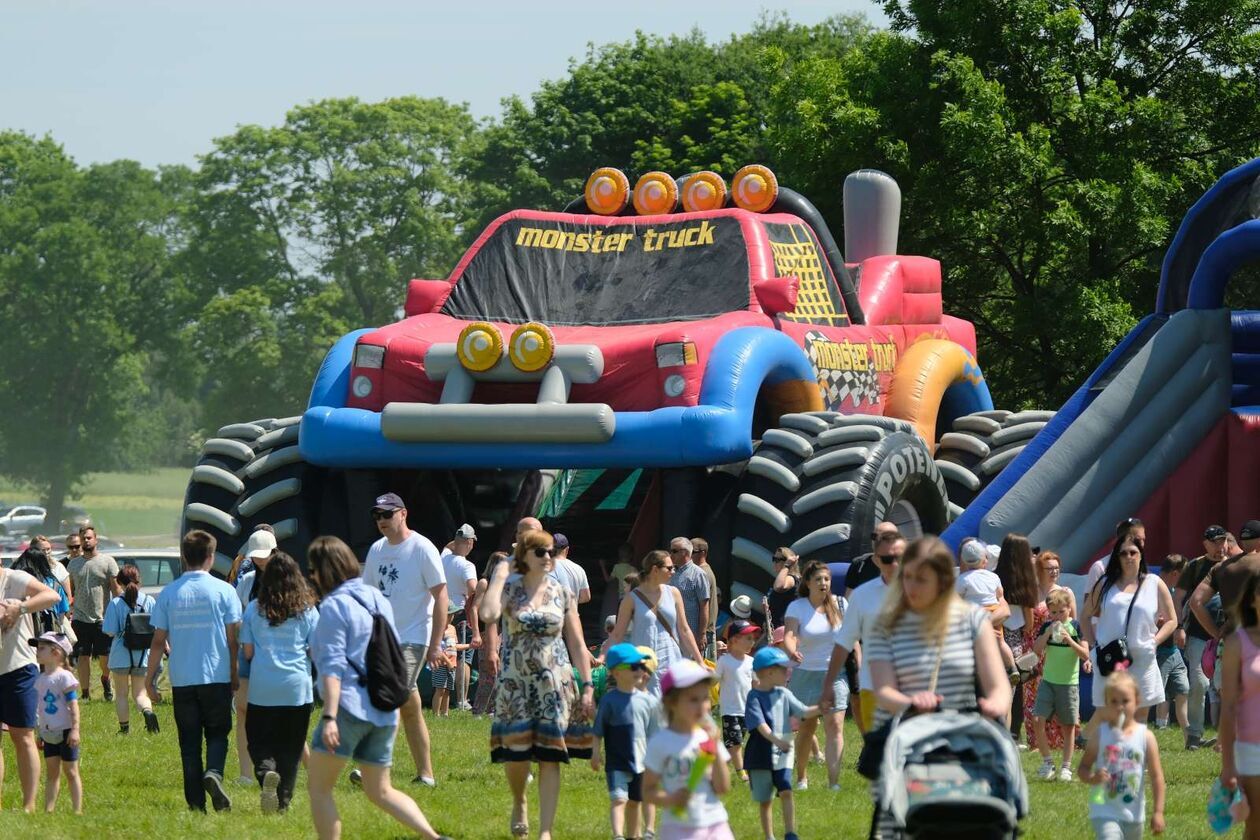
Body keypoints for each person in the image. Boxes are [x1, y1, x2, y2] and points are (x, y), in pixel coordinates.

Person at [305, 536, 450, 840]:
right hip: (384, 710)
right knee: (380, 790)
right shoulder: (376, 599)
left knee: (319, 789)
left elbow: (332, 668)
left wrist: (329, 717)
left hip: (348, 709)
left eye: (314, 570)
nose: (312, 577)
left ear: (325, 570)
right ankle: (433, 837)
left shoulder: (334, 606)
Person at [866, 536, 1012, 832]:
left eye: (921, 579)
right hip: (906, 742)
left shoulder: (973, 620)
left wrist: (995, 704)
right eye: (907, 577)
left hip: (961, 740)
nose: (911, 587)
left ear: (943, 581)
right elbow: (884, 689)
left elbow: (998, 683)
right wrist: (911, 702)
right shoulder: (886, 624)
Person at [481, 528, 595, 840]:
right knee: (516, 755)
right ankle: (520, 801)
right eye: (541, 551)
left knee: (550, 755)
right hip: (516, 685)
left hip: (554, 684)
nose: (549, 556)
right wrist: (501, 575)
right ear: (525, 557)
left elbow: (577, 642)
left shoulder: (562, 592)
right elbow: (488, 613)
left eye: (551, 551)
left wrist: (587, 686)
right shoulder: (509, 588)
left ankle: (545, 831)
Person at [146, 529, 242, 812]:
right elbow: (232, 639)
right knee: (217, 733)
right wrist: (235, 674)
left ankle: (196, 805)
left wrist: (150, 680)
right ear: (211, 557)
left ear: (184, 557)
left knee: (188, 744)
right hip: (216, 675)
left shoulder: (169, 592)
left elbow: (157, 641)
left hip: (183, 679)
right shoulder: (225, 591)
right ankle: (214, 772)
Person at [361, 492, 446, 787]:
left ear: (403, 513)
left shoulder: (422, 548)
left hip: (413, 637)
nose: (381, 520)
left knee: (389, 694)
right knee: (409, 706)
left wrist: (436, 643)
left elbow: (441, 595)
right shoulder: (376, 550)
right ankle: (426, 774)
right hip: (383, 638)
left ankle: (371, 764)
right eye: (377, 516)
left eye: (387, 514)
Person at [240, 550, 317, 814]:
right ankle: (282, 804)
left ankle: (265, 772)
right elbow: (316, 650)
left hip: (263, 687)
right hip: (297, 689)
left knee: (258, 740)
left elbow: (248, 653)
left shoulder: (253, 609)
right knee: (292, 749)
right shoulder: (308, 611)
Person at [1084, 535, 1178, 722]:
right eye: (1124, 553)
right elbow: (1085, 616)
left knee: (1140, 717)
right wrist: (1092, 647)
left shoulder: (1154, 582)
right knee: (1111, 715)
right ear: (1117, 557)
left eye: (1133, 552)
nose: (1129, 557)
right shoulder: (1104, 584)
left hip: (1143, 658)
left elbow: (1172, 620)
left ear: (1141, 555)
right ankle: (1110, 749)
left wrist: (1155, 641)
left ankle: (1135, 752)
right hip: (1111, 659)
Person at [0, 553, 67, 812]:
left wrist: (20, 608)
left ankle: (28, 806)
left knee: (23, 735)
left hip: (18, 667)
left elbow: (52, 596)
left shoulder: (14, 579)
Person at [821, 536, 905, 734]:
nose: (894, 564)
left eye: (899, 558)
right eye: (887, 559)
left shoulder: (922, 590)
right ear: (876, 560)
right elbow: (843, 642)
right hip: (873, 685)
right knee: (879, 749)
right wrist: (828, 683)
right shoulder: (862, 595)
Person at [642, 660, 733, 840]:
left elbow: (723, 787)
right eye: (693, 699)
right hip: (678, 830)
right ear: (671, 702)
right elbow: (647, 791)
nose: (702, 706)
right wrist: (670, 799)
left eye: (705, 698)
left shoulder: (709, 737)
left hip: (716, 824)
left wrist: (715, 747)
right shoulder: (660, 742)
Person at [782, 559, 846, 791]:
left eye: (827, 579)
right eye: (818, 579)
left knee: (835, 726)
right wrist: (792, 650)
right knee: (807, 728)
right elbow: (789, 635)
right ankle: (801, 777)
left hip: (836, 674)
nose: (824, 583)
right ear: (808, 583)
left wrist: (858, 656)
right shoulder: (797, 607)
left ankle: (834, 782)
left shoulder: (840, 603)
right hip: (805, 674)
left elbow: (850, 637)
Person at [1078, 670, 1166, 838]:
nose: (1120, 707)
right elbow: (1083, 767)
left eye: (1125, 701)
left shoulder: (1146, 737)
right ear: (1106, 703)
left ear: (1137, 702)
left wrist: (1158, 811)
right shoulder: (1100, 735)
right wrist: (1091, 778)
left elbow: (1157, 777)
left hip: (1134, 814)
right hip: (1104, 811)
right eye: (1114, 701)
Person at [745, 645, 821, 840]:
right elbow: (760, 725)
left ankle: (790, 833)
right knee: (766, 800)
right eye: (783, 668)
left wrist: (821, 707)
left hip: (783, 754)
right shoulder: (754, 697)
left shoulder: (784, 694)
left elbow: (803, 711)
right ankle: (769, 836)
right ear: (769, 672)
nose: (788, 671)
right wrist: (776, 740)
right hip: (760, 755)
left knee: (786, 790)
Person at [611, 550, 705, 696]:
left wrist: (700, 661)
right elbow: (617, 634)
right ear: (655, 569)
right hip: (643, 663)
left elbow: (684, 629)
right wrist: (604, 657)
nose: (673, 571)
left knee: (670, 711)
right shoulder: (631, 599)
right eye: (669, 568)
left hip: (670, 658)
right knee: (645, 708)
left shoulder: (674, 593)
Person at [592, 643, 661, 840]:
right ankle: (618, 835)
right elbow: (598, 730)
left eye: (641, 666)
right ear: (616, 672)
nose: (640, 670)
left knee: (635, 801)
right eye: (633, 667)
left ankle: (636, 835)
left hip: (642, 762)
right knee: (619, 800)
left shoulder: (649, 702)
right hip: (616, 761)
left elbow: (655, 734)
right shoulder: (608, 700)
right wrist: (595, 753)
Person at [1177, 523, 1230, 750]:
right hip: (1200, 636)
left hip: (1230, 636)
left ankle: (1225, 737)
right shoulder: (1195, 566)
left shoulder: (1234, 565)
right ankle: (1194, 735)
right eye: (1215, 542)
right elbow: (1178, 597)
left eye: (1223, 541)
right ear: (1205, 544)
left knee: (1228, 685)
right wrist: (1179, 626)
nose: (1220, 546)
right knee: (1199, 682)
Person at [231, 527, 277, 786]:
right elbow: (237, 619)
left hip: (275, 657)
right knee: (243, 711)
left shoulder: (287, 580)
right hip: (247, 656)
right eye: (256, 556)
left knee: (276, 715)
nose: (259, 560)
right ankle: (246, 773)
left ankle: (280, 766)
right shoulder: (247, 581)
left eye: (264, 556)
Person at [1218, 559, 1260, 838]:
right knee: (1256, 822)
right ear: (1253, 599)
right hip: (1252, 748)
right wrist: (1228, 766)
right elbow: (1229, 706)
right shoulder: (1237, 643)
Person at [1031, 588, 1087, 781]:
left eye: (1061, 611)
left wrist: (1069, 640)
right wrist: (1046, 634)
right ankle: (1047, 762)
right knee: (1038, 720)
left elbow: (1085, 654)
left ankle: (1066, 767)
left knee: (1068, 726)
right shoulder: (1046, 626)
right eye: (1053, 612)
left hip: (1069, 684)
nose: (1057, 616)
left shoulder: (1076, 626)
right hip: (1048, 681)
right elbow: (1036, 651)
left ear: (1069, 609)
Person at [101, 564, 160, 734]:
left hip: (121, 653)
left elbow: (110, 630)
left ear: (119, 582)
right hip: (142, 654)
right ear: (138, 580)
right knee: (140, 693)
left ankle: (124, 729)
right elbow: (155, 627)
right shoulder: (149, 601)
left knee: (121, 694)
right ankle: (147, 711)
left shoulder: (116, 603)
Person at [996, 533, 1040, 744]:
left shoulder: (994, 578)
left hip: (994, 637)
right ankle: (1012, 733)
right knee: (1014, 691)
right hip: (1015, 643)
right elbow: (1029, 624)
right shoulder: (1026, 584)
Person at [30, 632, 81, 814]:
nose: (37, 651)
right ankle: (48, 811)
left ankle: (77, 810)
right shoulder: (40, 679)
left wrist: (75, 730)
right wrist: (40, 733)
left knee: (71, 772)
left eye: (42, 648)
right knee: (52, 774)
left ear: (56, 653)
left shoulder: (64, 677)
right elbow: (40, 709)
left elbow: (73, 705)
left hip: (66, 732)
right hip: (48, 733)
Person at [67, 525, 119, 702]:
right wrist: (68, 610)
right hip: (80, 618)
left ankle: (105, 678)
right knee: (83, 655)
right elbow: (70, 591)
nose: (86, 541)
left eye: (89, 537)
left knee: (105, 657)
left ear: (96, 540)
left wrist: (120, 610)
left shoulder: (107, 561)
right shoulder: (73, 564)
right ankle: (85, 693)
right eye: (83, 538)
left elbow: (116, 590)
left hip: (102, 617)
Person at [956, 538, 1017, 678]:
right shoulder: (993, 577)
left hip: (975, 614)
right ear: (984, 561)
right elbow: (1000, 596)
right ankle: (1012, 668)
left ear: (963, 560)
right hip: (994, 610)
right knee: (1000, 642)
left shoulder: (962, 580)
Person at [441, 523, 480, 711]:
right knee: (464, 656)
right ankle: (461, 700)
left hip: (443, 612)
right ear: (470, 543)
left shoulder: (444, 558)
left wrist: (459, 542)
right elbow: (473, 587)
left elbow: (448, 546)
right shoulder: (467, 565)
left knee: (446, 652)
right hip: (461, 614)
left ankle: (441, 695)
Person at [715, 619, 760, 782]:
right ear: (734, 640)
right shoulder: (724, 662)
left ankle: (715, 767)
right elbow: (714, 680)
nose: (752, 642)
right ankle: (742, 774)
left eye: (753, 638)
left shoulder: (751, 662)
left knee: (733, 745)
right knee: (735, 744)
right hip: (729, 710)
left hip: (746, 710)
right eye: (748, 638)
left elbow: (755, 683)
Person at [472, 551, 510, 717]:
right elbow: (474, 608)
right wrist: (476, 634)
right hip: (484, 632)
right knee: (487, 673)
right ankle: (478, 710)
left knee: (499, 672)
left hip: (500, 632)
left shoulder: (502, 586)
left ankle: (492, 709)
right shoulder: (484, 583)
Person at [1154, 555, 1189, 732]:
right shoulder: (1153, 590)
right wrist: (1157, 622)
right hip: (1158, 650)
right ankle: (1161, 726)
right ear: (1175, 573)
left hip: (1173, 650)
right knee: (1160, 691)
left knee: (1183, 688)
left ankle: (1188, 732)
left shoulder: (1174, 592)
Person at [11, 545, 70, 638]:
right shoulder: (53, 583)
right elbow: (62, 612)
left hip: (20, 633)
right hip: (48, 634)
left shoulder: (15, 582)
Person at [668, 537, 710, 650]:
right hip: (670, 633)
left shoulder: (698, 574)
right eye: (670, 550)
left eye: (674, 551)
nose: (671, 554)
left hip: (690, 634)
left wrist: (701, 635)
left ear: (685, 552)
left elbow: (704, 607)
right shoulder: (670, 572)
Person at [844, 522, 901, 598]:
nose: (877, 541)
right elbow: (849, 599)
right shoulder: (859, 564)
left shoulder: (906, 566)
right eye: (874, 536)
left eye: (883, 538)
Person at [691, 538, 720, 660]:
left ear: (703, 553)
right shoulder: (700, 571)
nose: (688, 555)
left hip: (704, 633)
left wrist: (701, 634)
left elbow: (703, 606)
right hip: (703, 632)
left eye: (692, 552)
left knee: (703, 673)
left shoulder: (703, 573)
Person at [430, 619, 465, 718]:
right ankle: (435, 714)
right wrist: (448, 661)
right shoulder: (437, 628)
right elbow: (438, 648)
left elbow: (454, 646)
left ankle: (445, 713)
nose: (451, 617)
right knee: (440, 689)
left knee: (447, 690)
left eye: (452, 614)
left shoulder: (452, 628)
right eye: (448, 614)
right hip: (441, 664)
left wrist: (470, 645)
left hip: (451, 665)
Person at [551, 533, 592, 605]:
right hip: (571, 614)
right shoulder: (579, 569)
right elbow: (586, 597)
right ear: (567, 550)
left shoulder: (544, 567)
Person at [765, 548, 801, 629]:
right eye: (774, 559)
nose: (774, 562)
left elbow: (779, 587)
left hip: (785, 630)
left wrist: (787, 566)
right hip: (776, 630)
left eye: (778, 560)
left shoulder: (791, 578)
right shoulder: (783, 579)